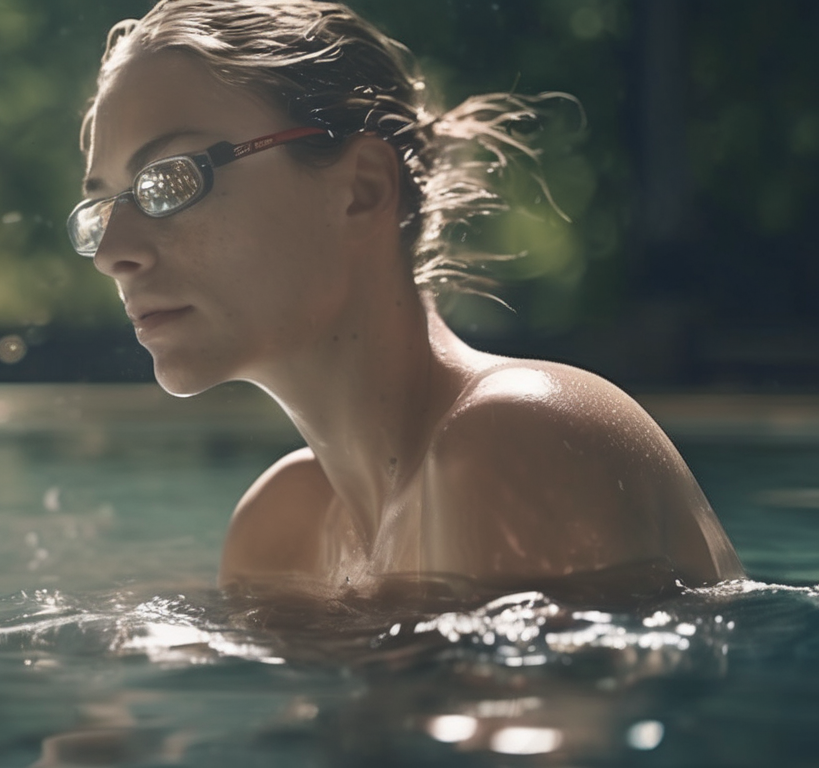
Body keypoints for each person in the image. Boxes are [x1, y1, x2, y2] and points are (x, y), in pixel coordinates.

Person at [67, 0, 744, 602]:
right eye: (100, 206)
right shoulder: (281, 531)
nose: (110, 251)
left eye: (170, 179)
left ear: (361, 188)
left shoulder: (518, 437)